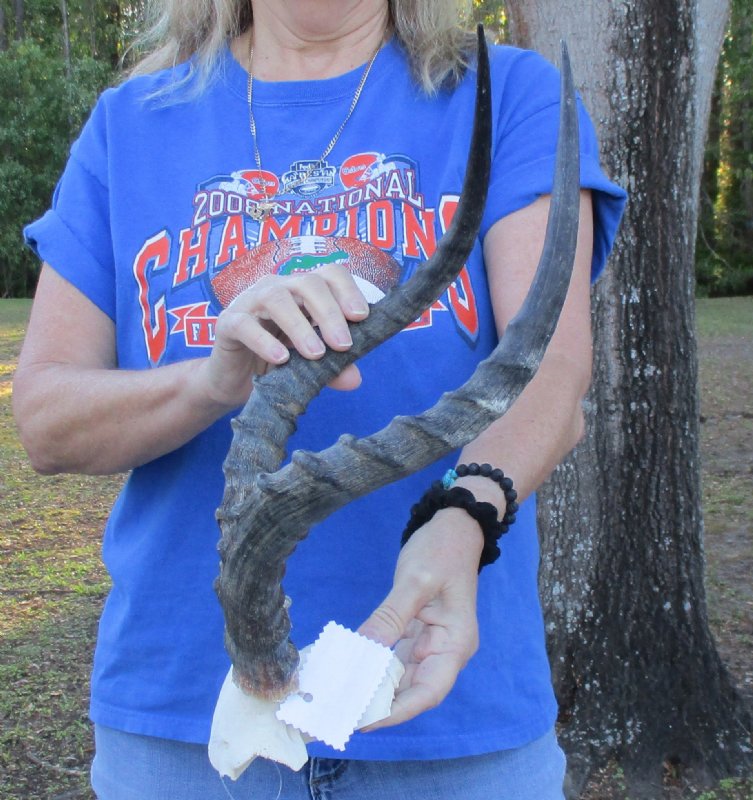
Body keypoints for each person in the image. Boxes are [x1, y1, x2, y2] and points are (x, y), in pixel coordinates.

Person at [13, 1, 626, 797]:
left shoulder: (505, 93)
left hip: (442, 709)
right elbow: (47, 421)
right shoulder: (131, 123)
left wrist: (462, 518)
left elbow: (549, 374)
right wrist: (212, 380)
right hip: (191, 730)